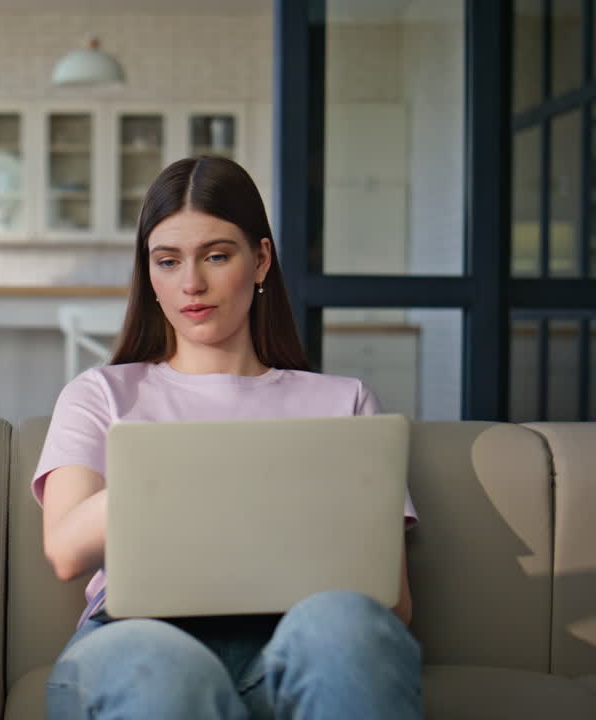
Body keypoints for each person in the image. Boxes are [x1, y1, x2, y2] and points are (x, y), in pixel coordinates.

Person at [35, 156, 421, 720]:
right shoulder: (101, 393)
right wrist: (184, 470)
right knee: (162, 670)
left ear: (260, 260)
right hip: (136, 637)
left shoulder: (346, 402)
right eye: (168, 261)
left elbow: (396, 604)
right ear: (150, 274)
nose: (191, 283)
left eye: (216, 256)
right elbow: (66, 552)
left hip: (291, 645)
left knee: (347, 629)